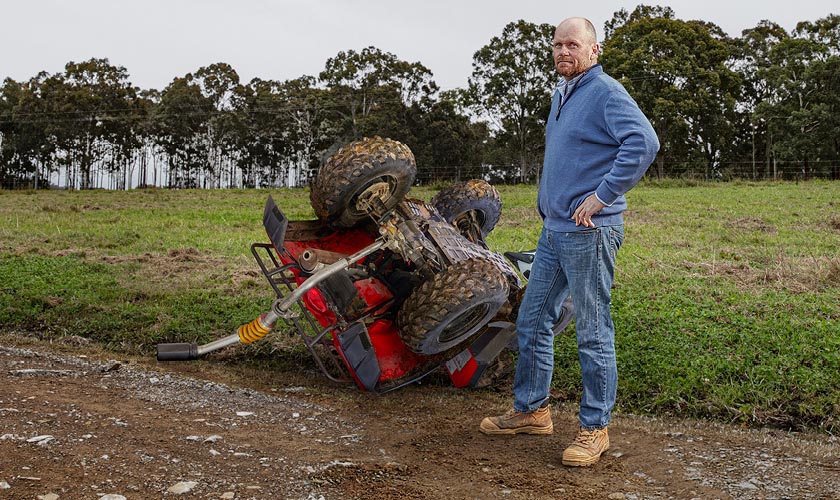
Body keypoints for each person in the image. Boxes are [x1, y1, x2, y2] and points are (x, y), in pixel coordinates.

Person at [479, 17, 659, 467]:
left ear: (594, 50)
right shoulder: (563, 93)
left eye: (573, 45)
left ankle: (595, 429)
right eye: (558, 45)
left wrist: (602, 197)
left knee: (593, 332)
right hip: (555, 231)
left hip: (589, 233)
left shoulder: (604, 92)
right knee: (533, 318)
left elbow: (644, 142)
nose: (563, 52)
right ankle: (532, 410)